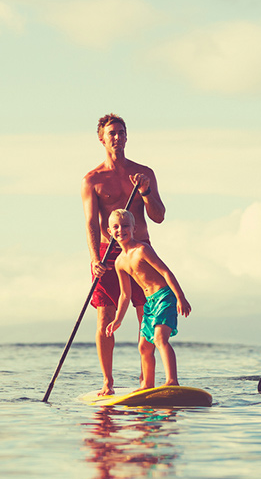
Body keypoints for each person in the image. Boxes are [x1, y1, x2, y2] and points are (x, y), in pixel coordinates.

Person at [82, 113, 166, 396]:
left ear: (127, 136)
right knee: (106, 319)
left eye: (121, 132)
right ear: (101, 139)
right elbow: (92, 223)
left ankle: (147, 381)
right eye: (111, 133)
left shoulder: (144, 173)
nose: (117, 137)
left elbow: (158, 216)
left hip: (141, 250)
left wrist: (145, 191)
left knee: (148, 317)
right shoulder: (92, 180)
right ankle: (107, 382)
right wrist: (95, 258)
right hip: (108, 253)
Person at [105, 209, 191, 392]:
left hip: (165, 297)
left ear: (134, 228)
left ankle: (172, 381)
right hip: (149, 303)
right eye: (116, 227)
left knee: (160, 339)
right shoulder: (119, 262)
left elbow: (166, 272)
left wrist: (180, 297)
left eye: (126, 226)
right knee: (144, 346)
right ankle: (147, 384)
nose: (121, 230)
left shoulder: (142, 250)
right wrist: (118, 319)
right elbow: (125, 295)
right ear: (109, 232)